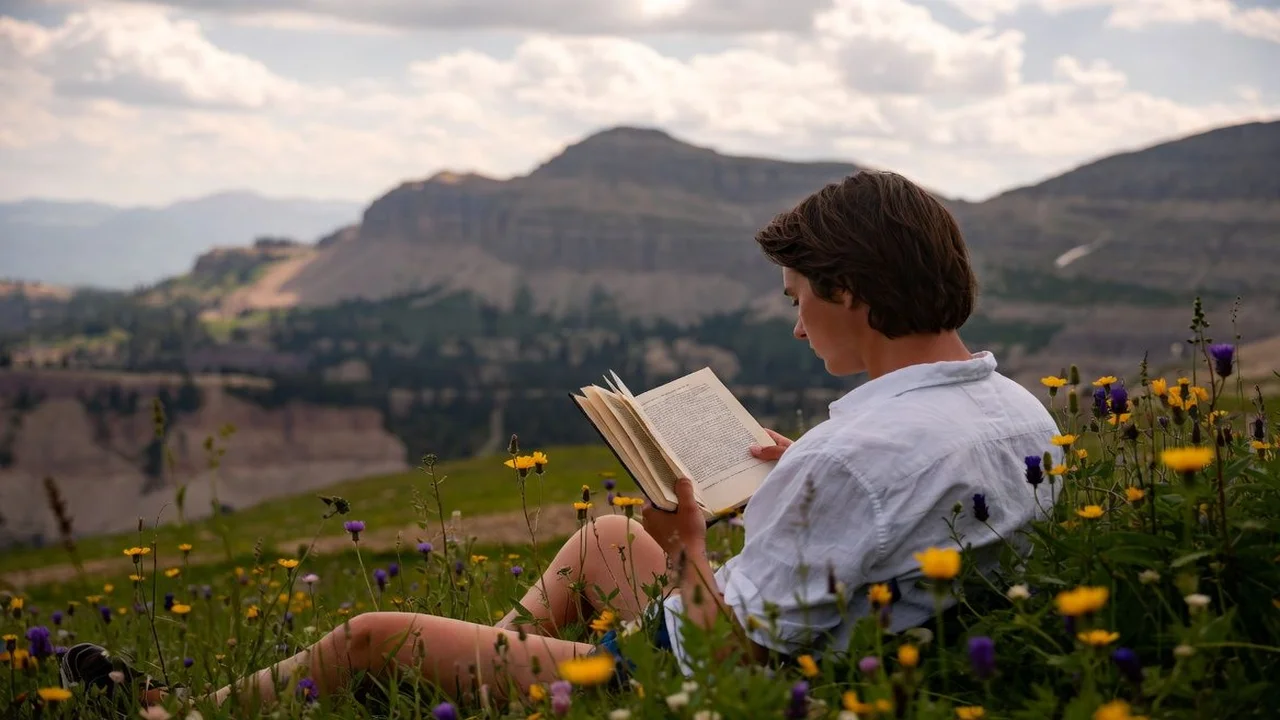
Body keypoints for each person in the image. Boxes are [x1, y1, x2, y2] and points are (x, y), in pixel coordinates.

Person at [60, 170, 1061, 711]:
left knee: (371, 636)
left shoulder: (850, 456)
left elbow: (731, 667)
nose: (797, 325)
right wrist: (787, 474)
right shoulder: (1018, 411)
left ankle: (167, 712)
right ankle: (495, 680)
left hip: (708, 685)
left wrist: (687, 543)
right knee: (598, 542)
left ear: (849, 291)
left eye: (802, 301)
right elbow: (888, 531)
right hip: (870, 656)